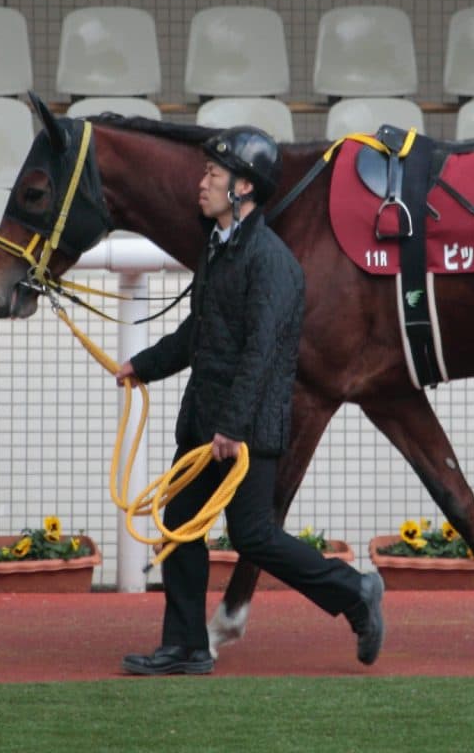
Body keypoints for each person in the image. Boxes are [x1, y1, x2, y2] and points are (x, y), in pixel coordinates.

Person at [118, 126, 384, 675]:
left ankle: (355, 591)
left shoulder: (271, 262)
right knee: (180, 524)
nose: (203, 183)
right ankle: (188, 646)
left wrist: (233, 427)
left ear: (244, 188)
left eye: (214, 175)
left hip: (242, 430)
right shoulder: (218, 251)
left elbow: (262, 354)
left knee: (254, 536)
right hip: (205, 424)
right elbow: (199, 334)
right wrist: (141, 367)